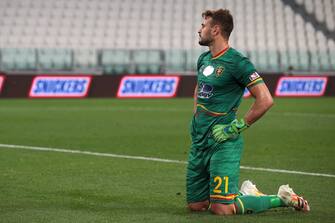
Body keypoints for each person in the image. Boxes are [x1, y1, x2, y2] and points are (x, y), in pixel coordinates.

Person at [186, 9, 310, 215]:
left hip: (222, 143)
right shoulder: (204, 59)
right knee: (196, 206)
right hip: (200, 141)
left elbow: (265, 99)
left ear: (215, 30)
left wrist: (237, 127)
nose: (199, 30)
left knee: (222, 209)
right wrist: (195, 118)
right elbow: (199, 88)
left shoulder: (237, 62)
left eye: (203, 26)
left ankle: (283, 200)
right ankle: (248, 194)